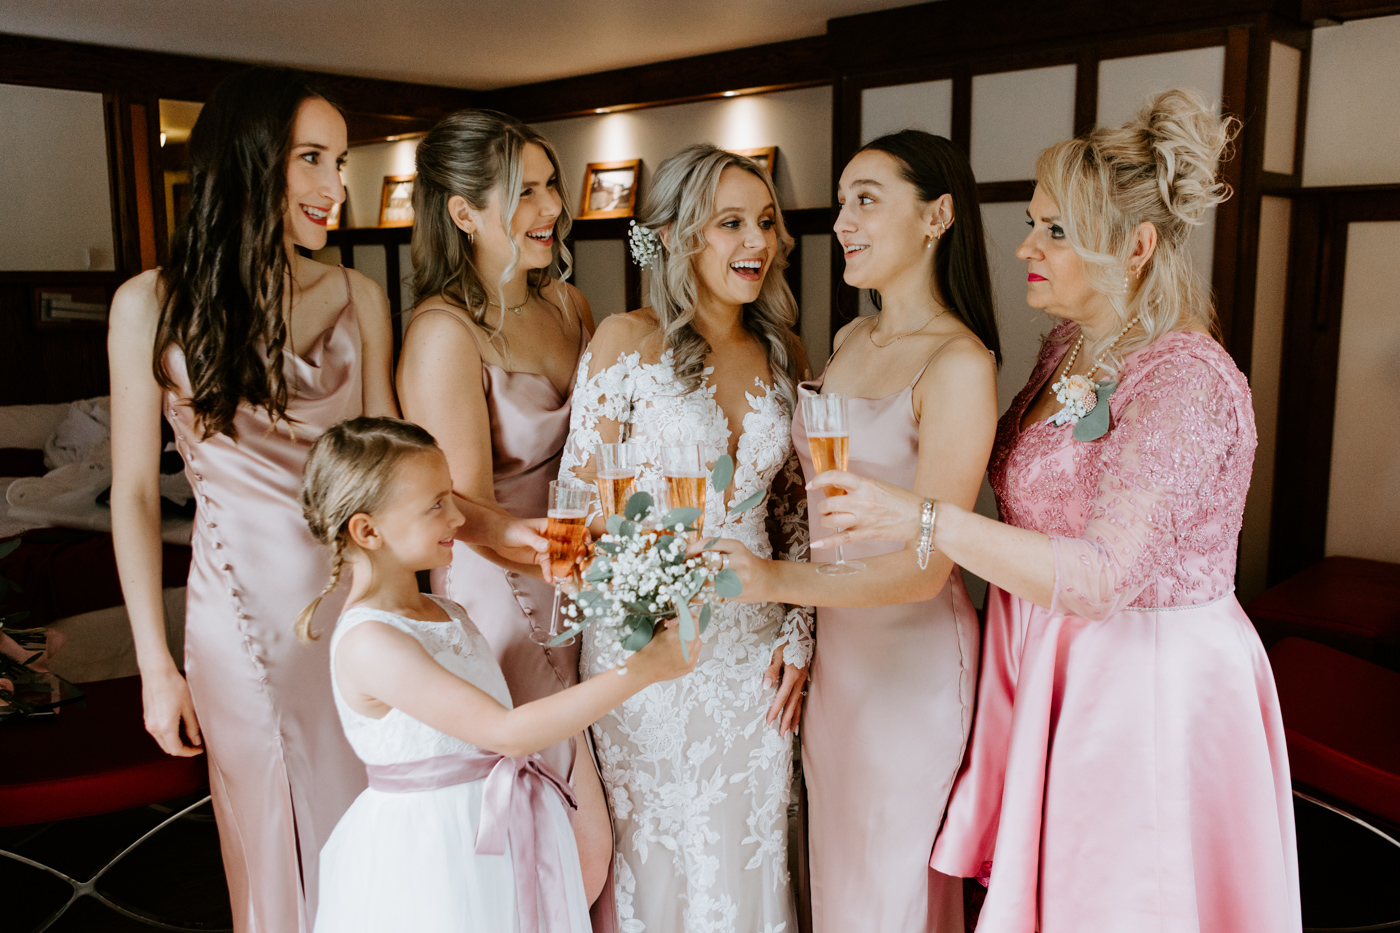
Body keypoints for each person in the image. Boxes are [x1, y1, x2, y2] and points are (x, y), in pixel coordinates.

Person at [805, 90, 1301, 933]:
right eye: (1035, 222)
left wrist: (920, 520)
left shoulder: (1186, 381)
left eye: (1057, 231)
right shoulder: (1071, 345)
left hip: (1142, 677)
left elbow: (1106, 573)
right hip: (1044, 652)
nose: (1027, 245)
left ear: (1136, 247)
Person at [108, 68, 396, 931]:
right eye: (312, 158)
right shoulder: (148, 305)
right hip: (237, 623)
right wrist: (155, 666)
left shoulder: (360, 297)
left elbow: (391, 472)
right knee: (272, 845)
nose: (335, 187)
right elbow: (129, 493)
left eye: (341, 162)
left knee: (373, 834)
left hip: (358, 610)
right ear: (251, 157)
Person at [708, 130, 1001, 932]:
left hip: (908, 662)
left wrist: (771, 582)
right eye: (841, 203)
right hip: (839, 660)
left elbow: (926, 568)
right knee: (837, 883)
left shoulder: (958, 365)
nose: (842, 220)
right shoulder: (845, 343)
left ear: (938, 215)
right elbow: (812, 509)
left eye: (866, 199)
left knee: (889, 890)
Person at [302, 417, 697, 933]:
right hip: (435, 850)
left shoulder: (443, 610)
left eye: (451, 498)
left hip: (493, 830)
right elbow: (504, 732)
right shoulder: (369, 643)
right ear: (368, 530)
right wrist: (642, 669)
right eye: (436, 505)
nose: (456, 518)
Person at [558, 144, 813, 932]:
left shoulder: (783, 352)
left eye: (765, 222)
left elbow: (799, 519)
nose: (756, 243)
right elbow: (572, 518)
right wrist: (631, 608)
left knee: (748, 850)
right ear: (673, 235)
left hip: (755, 650)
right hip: (648, 646)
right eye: (729, 222)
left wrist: (801, 632)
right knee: (657, 855)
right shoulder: (623, 342)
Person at [393, 110, 616, 906]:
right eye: (525, 191)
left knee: (614, 808)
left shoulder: (571, 307)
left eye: (552, 185)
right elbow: (462, 512)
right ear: (463, 212)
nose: (551, 207)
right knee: (575, 838)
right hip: (507, 595)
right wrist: (566, 550)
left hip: (588, 579)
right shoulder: (443, 334)